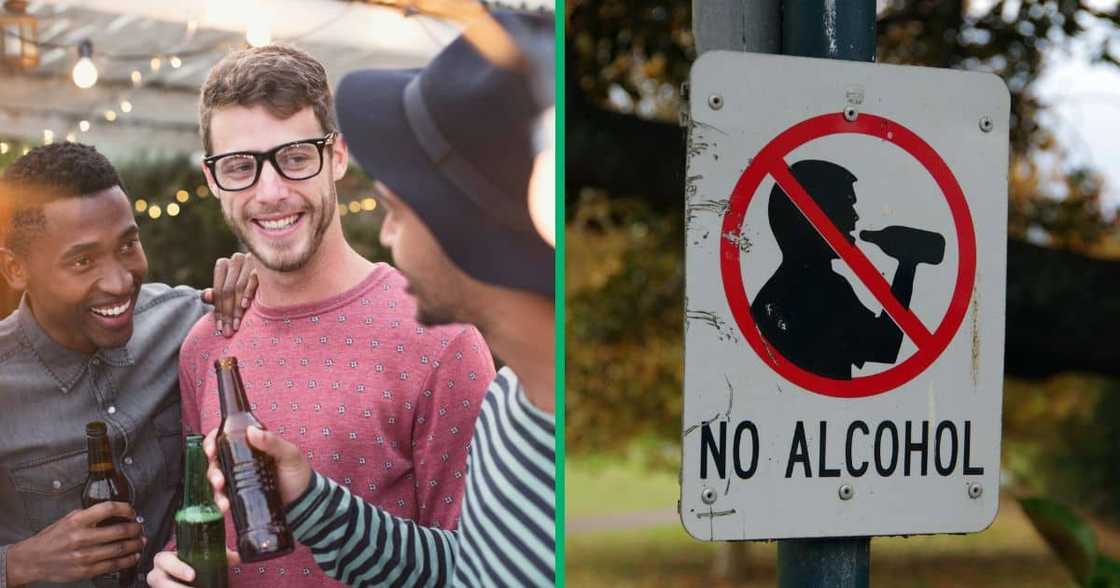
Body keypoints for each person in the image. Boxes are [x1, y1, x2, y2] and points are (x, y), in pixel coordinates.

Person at [149, 9, 555, 588]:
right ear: (214, 179)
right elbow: (208, 525)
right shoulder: (205, 343)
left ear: (336, 156)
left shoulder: (445, 339)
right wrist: (177, 566)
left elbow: (470, 564)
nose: (271, 191)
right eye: (241, 166)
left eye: (293, 158)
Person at [0, 143, 255, 586]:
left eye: (127, 245)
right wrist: (18, 564)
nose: (120, 282)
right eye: (82, 261)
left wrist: (260, 276)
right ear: (16, 269)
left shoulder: (189, 323)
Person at [751, 159, 944, 378]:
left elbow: (883, 346)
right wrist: (907, 264)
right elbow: (884, 346)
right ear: (816, 215)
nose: (855, 217)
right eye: (846, 205)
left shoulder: (776, 293)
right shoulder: (824, 290)